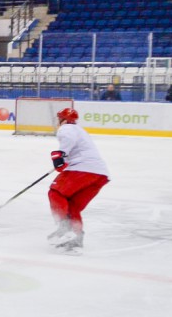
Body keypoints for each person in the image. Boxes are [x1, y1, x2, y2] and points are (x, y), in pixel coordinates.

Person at [47, 108, 110, 255]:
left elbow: (68, 140)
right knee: (72, 206)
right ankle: (76, 241)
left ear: (63, 119)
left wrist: (60, 155)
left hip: (83, 169)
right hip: (100, 174)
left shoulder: (66, 128)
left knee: (55, 192)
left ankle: (65, 227)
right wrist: (63, 160)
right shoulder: (80, 130)